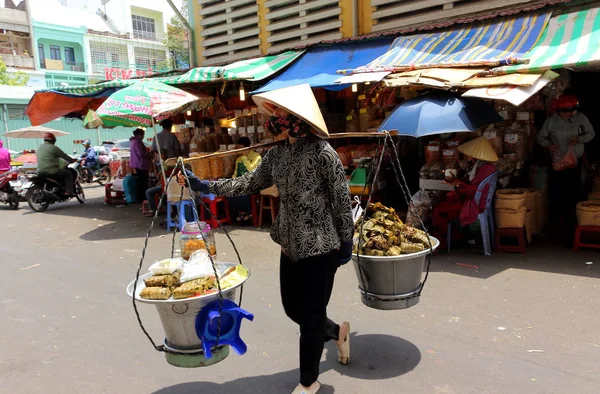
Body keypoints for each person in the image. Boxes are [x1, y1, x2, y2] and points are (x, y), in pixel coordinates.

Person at [181, 106, 353, 394]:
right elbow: (249, 182)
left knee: (310, 318)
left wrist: (346, 238)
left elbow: (341, 198)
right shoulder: (276, 154)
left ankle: (309, 382)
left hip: (321, 246)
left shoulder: (324, 153)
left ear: (296, 120)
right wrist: (206, 185)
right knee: (293, 309)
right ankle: (337, 332)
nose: (273, 122)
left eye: (280, 117)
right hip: (289, 245)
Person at [537, 94, 595, 227]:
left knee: (574, 188)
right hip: (558, 162)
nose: (568, 114)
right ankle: (557, 218)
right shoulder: (551, 121)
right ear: (558, 110)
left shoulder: (580, 118)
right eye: (565, 112)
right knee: (557, 189)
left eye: (571, 111)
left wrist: (579, 139)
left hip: (575, 160)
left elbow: (591, 133)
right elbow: (540, 137)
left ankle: (576, 218)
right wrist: (548, 145)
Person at [432, 137, 498, 249]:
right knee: (446, 202)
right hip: (476, 200)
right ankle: (453, 238)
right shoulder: (481, 166)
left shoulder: (485, 168)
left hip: (475, 204)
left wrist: (458, 184)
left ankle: (451, 240)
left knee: (438, 209)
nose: (467, 155)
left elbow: (473, 192)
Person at [228, 137, 262, 222]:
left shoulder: (256, 157)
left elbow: (251, 170)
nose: (238, 149)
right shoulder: (238, 159)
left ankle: (248, 212)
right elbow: (236, 173)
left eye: (239, 147)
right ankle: (244, 212)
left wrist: (244, 158)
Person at [145, 149, 172, 216]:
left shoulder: (164, 164)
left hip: (167, 185)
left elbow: (161, 178)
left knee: (148, 192)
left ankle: (153, 210)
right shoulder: (164, 163)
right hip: (166, 183)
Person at [129, 128, 151, 203]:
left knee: (141, 181)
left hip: (136, 163)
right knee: (142, 181)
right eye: (143, 135)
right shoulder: (138, 142)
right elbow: (141, 153)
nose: (143, 136)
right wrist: (147, 154)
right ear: (139, 135)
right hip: (141, 164)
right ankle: (141, 198)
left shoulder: (133, 141)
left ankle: (140, 197)